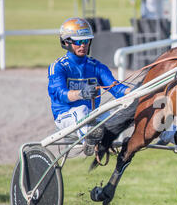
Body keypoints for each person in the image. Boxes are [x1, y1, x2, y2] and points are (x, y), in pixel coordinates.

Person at [48, 17, 132, 156]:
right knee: (81, 109)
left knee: (119, 113)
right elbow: (60, 94)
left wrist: (136, 91)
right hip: (65, 117)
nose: (83, 45)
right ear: (66, 42)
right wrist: (81, 94)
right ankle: (90, 139)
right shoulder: (58, 67)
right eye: (78, 41)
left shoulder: (97, 66)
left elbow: (116, 88)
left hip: (91, 117)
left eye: (86, 41)